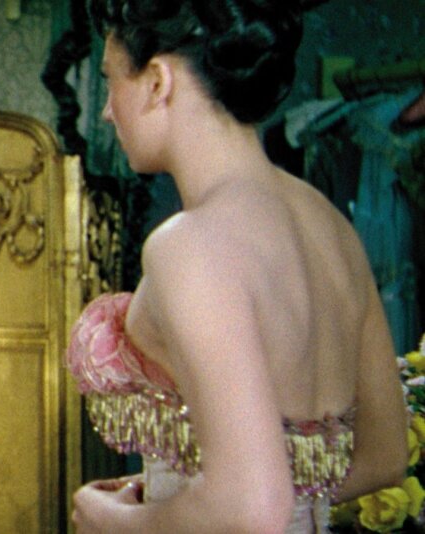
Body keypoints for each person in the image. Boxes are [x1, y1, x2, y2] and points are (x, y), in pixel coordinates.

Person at [67, 1, 409, 532]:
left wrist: (112, 520)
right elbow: (385, 456)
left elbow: (252, 507)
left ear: (157, 81)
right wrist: (187, 501)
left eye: (112, 80)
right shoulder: (330, 225)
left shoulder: (189, 243)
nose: (109, 111)